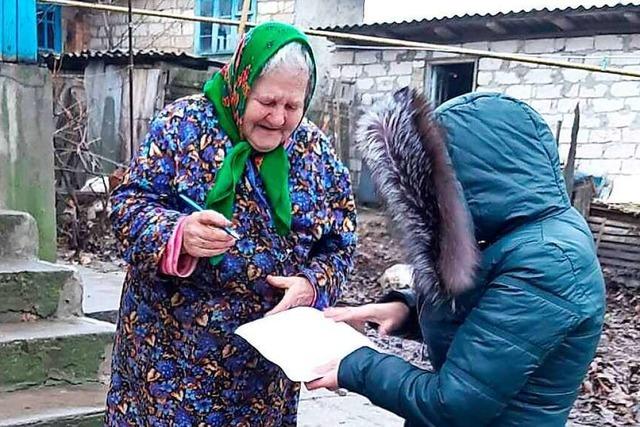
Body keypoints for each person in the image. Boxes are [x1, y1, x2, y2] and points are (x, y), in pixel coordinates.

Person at [106, 22, 357, 426]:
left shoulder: (315, 152)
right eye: (267, 102)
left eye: (292, 106)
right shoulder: (181, 127)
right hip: (171, 361)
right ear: (241, 86)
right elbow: (127, 207)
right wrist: (178, 233)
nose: (278, 118)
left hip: (264, 375)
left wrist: (313, 283)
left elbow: (340, 243)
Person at [307, 90, 606, 427]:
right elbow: (489, 317)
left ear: (474, 178)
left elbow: (453, 402)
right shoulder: (519, 234)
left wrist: (355, 365)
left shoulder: (550, 260)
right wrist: (406, 310)